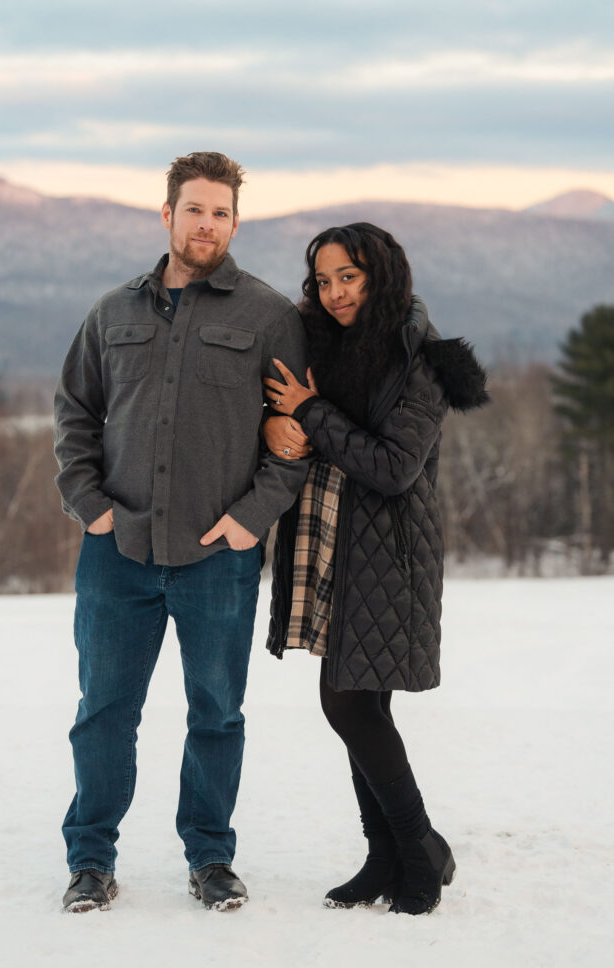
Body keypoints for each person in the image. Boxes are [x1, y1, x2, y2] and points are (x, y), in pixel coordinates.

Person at [53, 152, 309, 913]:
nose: (207, 224)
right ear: (166, 215)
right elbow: (73, 413)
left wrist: (248, 522)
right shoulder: (112, 313)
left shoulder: (268, 317)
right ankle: (90, 861)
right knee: (103, 712)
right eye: (194, 210)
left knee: (217, 712)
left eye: (221, 213)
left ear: (235, 221)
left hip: (217, 558)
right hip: (117, 551)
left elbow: (292, 437)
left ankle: (210, 859)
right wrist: (89, 505)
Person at [263, 222, 488, 915]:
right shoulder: (320, 344)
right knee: (362, 701)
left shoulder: (417, 358)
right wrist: (282, 420)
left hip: (388, 548)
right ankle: (384, 854)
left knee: (348, 701)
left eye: (348, 278)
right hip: (331, 538)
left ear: (380, 275)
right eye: (323, 280)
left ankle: (419, 847)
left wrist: (309, 410)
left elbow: (392, 468)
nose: (333, 294)